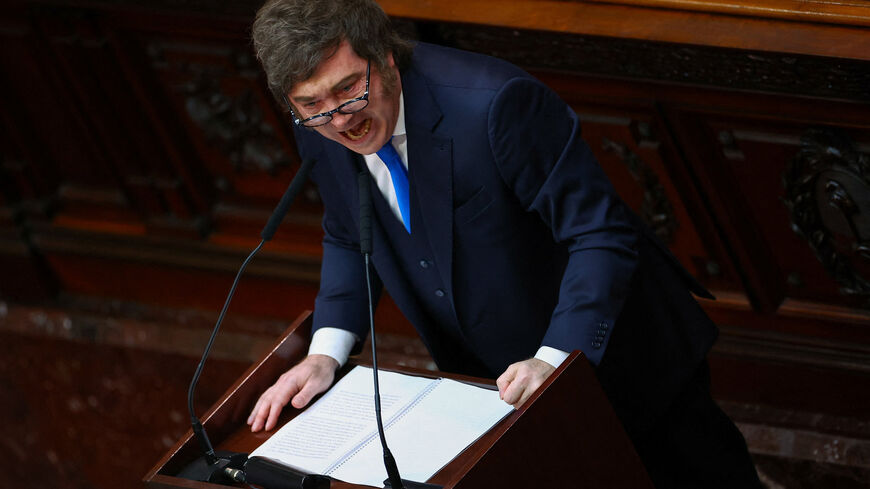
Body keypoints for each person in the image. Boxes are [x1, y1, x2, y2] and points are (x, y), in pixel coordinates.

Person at [246, 0, 762, 487]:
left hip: (627, 366)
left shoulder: (493, 104)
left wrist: (556, 362)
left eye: (350, 91)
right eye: (313, 105)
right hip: (499, 394)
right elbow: (345, 231)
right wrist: (324, 353)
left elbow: (599, 233)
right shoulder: (317, 125)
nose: (340, 120)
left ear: (385, 56)